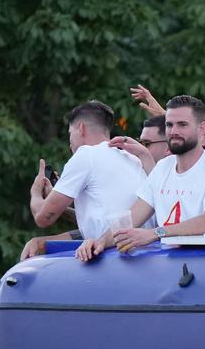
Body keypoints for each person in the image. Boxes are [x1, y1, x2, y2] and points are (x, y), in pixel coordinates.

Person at [76, 95, 205, 260]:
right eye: (169, 125)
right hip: (165, 265)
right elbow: (133, 216)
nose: (174, 131)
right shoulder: (162, 167)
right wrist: (99, 242)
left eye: (182, 125)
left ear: (201, 128)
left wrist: (156, 233)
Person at [21, 101, 145, 259]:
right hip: (139, 252)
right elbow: (104, 221)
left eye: (70, 133)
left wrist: (36, 192)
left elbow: (43, 218)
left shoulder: (86, 154)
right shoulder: (132, 159)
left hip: (113, 255)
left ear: (81, 128)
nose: (70, 142)